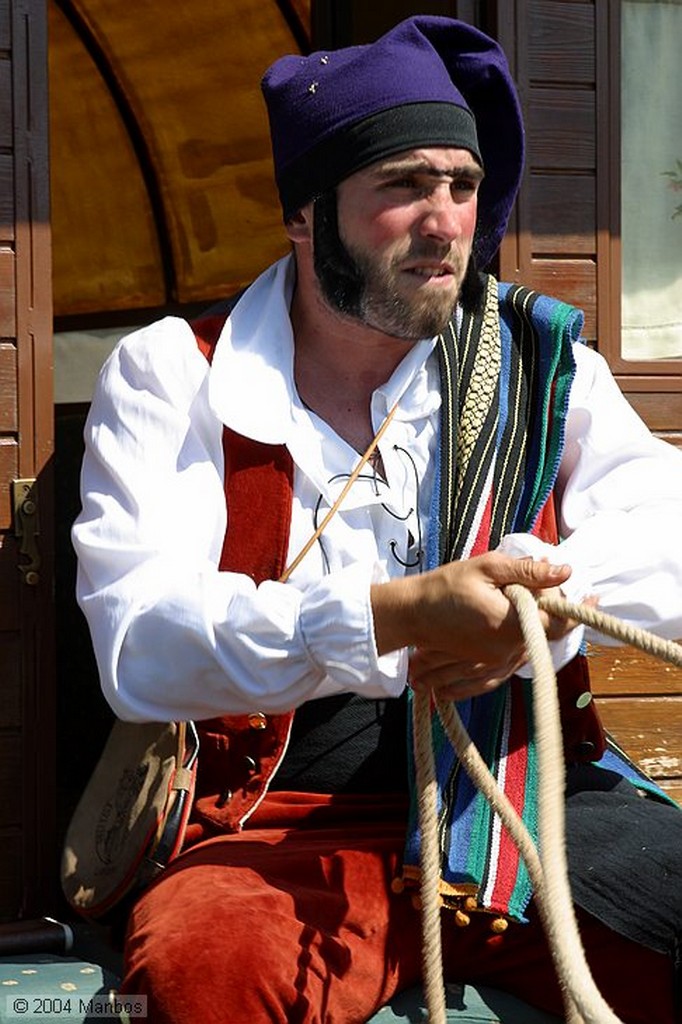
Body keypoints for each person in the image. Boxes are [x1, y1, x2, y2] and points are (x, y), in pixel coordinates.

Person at [72, 15, 682, 1024]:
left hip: (532, 809)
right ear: (306, 215)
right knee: (207, 969)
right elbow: (141, 645)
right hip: (280, 825)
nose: (445, 221)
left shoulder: (541, 366)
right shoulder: (174, 374)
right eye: (402, 185)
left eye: (461, 184)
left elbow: (666, 543)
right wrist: (390, 612)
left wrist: (539, 599)